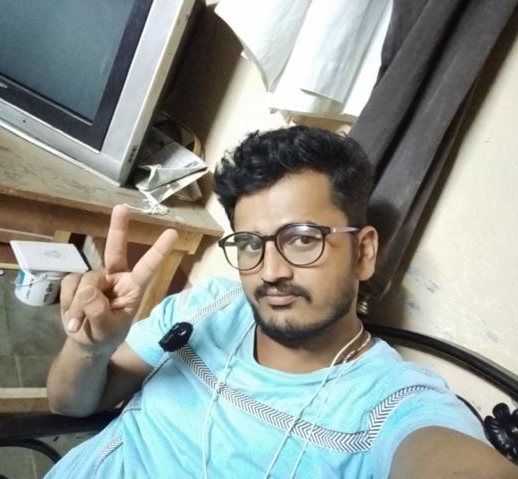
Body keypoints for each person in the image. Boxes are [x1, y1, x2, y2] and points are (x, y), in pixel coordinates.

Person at [45, 126, 517, 478]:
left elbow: (445, 459)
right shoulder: (206, 308)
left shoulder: (388, 404)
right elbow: (69, 404)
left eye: (303, 238)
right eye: (250, 243)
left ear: (364, 252)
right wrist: (90, 349)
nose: (271, 271)